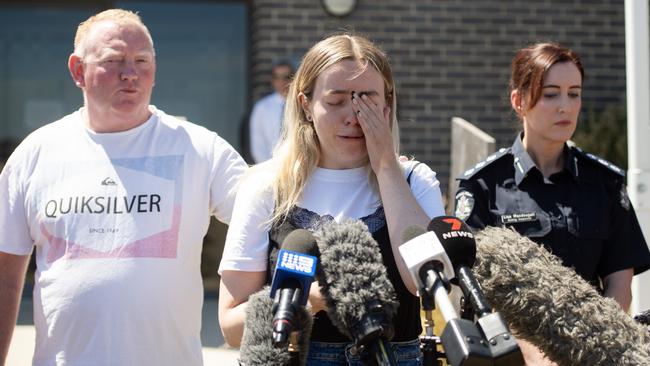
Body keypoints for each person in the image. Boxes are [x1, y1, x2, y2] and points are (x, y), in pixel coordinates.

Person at [0, 9, 248, 366]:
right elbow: (6, 276)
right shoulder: (36, 154)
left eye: (141, 61)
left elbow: (266, 219)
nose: (130, 74)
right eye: (113, 61)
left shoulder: (200, 150)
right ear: (78, 70)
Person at [218, 34, 445, 365]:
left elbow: (421, 282)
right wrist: (305, 301)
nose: (352, 116)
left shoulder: (415, 180)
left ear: (387, 104)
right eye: (336, 100)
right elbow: (231, 327)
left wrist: (385, 166)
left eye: (365, 99)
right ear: (305, 105)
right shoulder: (267, 185)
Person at [454, 42, 650, 365]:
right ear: (519, 101)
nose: (566, 106)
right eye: (551, 94)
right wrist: (537, 358)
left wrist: (598, 346)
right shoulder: (482, 186)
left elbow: (620, 283)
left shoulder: (604, 183)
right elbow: (479, 293)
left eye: (574, 93)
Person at [249, 61, 294, 163]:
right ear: (272, 80)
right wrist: (270, 169)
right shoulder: (262, 107)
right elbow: (258, 144)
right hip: (269, 168)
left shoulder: (301, 105)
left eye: (285, 77)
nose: (281, 81)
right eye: (276, 77)